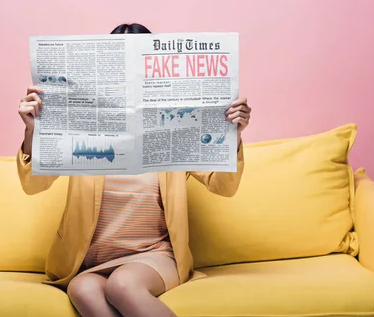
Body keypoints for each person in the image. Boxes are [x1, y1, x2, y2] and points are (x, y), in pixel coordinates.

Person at [17, 23, 251, 317]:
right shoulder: (81, 123)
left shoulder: (175, 127)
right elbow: (33, 186)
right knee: (82, 289)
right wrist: (32, 133)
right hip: (91, 261)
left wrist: (234, 135)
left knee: (123, 285)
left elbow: (223, 186)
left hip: (152, 257)